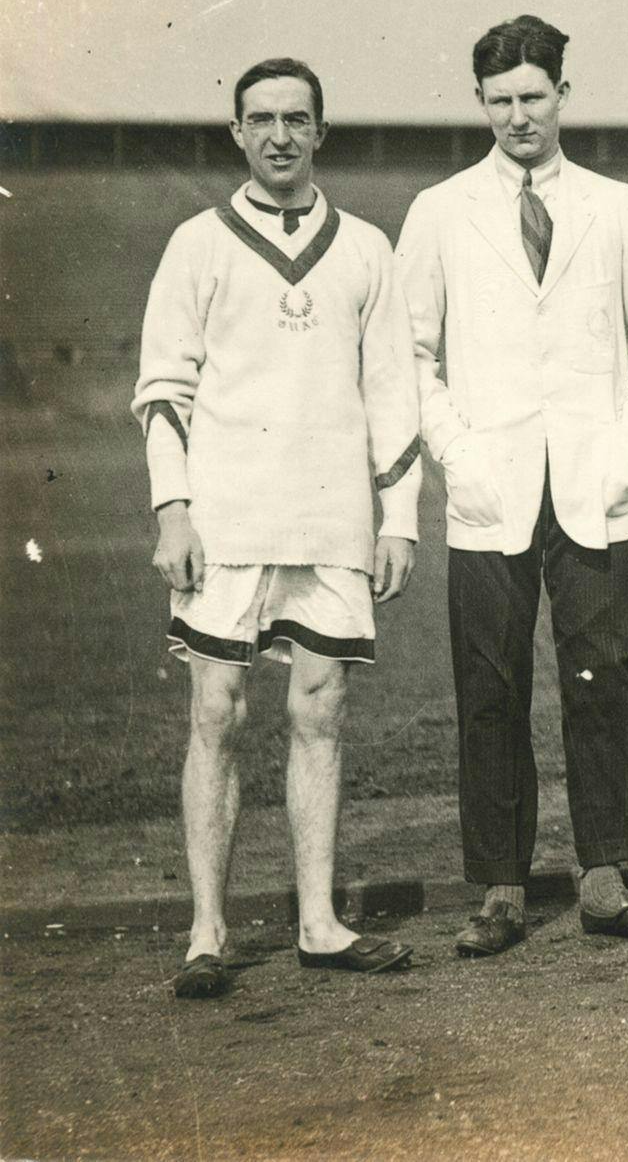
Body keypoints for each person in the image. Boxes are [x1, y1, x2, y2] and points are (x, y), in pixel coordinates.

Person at [397, 15, 628, 956]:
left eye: (534, 95)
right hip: (489, 490)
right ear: (478, 103)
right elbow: (409, 357)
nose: (519, 115)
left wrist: (627, 445)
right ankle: (499, 887)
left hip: (594, 488)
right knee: (490, 688)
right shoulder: (440, 210)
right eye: (501, 100)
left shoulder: (612, 205)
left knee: (603, 680)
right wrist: (457, 451)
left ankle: (606, 877)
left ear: (564, 93)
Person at [134, 58, 421, 998]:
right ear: (237, 133)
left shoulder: (367, 249)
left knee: (320, 712)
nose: (280, 137)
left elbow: (393, 394)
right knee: (216, 712)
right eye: (262, 120)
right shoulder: (197, 244)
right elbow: (164, 392)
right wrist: (173, 508)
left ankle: (318, 921)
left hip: (333, 516)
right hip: (228, 519)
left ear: (321, 132)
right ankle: (207, 930)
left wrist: (400, 518)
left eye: (297, 120)